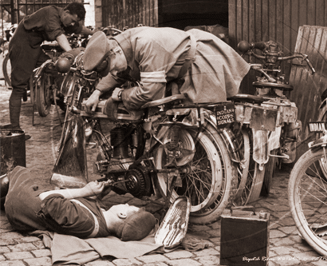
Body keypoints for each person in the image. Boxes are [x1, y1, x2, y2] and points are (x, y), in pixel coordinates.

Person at [81, 26, 250, 116]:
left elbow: (148, 92)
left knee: (201, 120)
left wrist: (119, 96)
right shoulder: (119, 45)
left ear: (114, 52)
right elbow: (120, 70)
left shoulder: (145, 44)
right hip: (180, 68)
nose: (115, 72)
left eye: (113, 67)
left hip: (200, 63)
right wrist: (97, 92)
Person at [5, 3, 94, 139]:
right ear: (66, 12)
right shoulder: (50, 14)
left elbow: (78, 29)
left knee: (55, 70)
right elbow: (59, 36)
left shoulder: (64, 18)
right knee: (19, 87)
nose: (71, 24)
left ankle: (62, 100)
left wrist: (95, 33)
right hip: (21, 45)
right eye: (72, 20)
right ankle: (15, 129)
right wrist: (72, 54)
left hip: (34, 47)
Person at [3, 166, 156, 241]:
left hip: (21, 205)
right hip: (29, 207)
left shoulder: (85, 222)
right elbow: (84, 207)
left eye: (129, 206)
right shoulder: (101, 221)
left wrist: (85, 191)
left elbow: (45, 198)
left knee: (19, 171)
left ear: (122, 214)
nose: (127, 204)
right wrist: (99, 194)